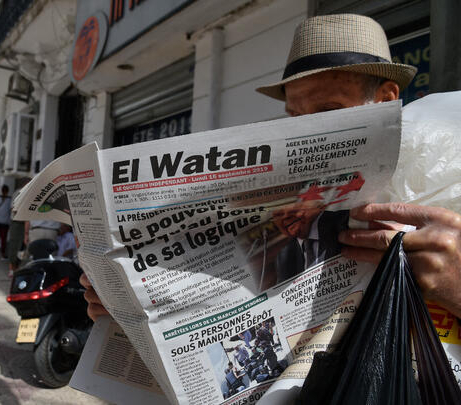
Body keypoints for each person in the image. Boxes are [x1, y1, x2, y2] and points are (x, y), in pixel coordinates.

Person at [81, 13, 461, 321]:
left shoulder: (441, 176)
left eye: (329, 112)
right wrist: (132, 309)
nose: (307, 131)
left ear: (385, 98)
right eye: (295, 116)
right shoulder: (284, 219)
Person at [271, 201, 349, 283]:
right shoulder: (284, 255)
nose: (286, 215)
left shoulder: (344, 223)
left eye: (291, 202)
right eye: (278, 214)